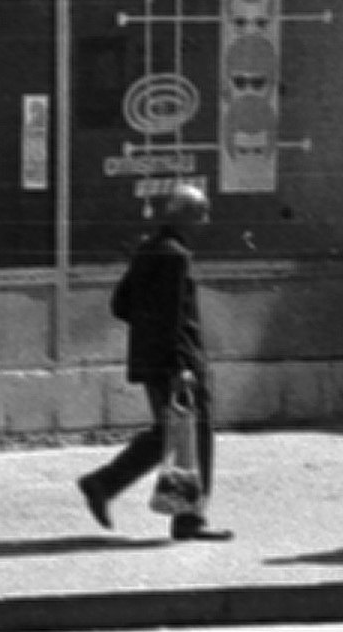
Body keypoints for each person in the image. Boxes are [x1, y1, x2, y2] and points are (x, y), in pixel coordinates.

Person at [75, 183, 229, 542]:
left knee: (171, 434)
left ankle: (106, 484)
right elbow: (172, 317)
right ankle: (187, 517)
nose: (206, 222)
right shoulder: (176, 256)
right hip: (180, 364)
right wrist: (180, 367)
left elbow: (121, 304)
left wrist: (148, 336)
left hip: (153, 362)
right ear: (184, 218)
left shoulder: (149, 249)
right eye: (201, 214)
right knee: (194, 436)